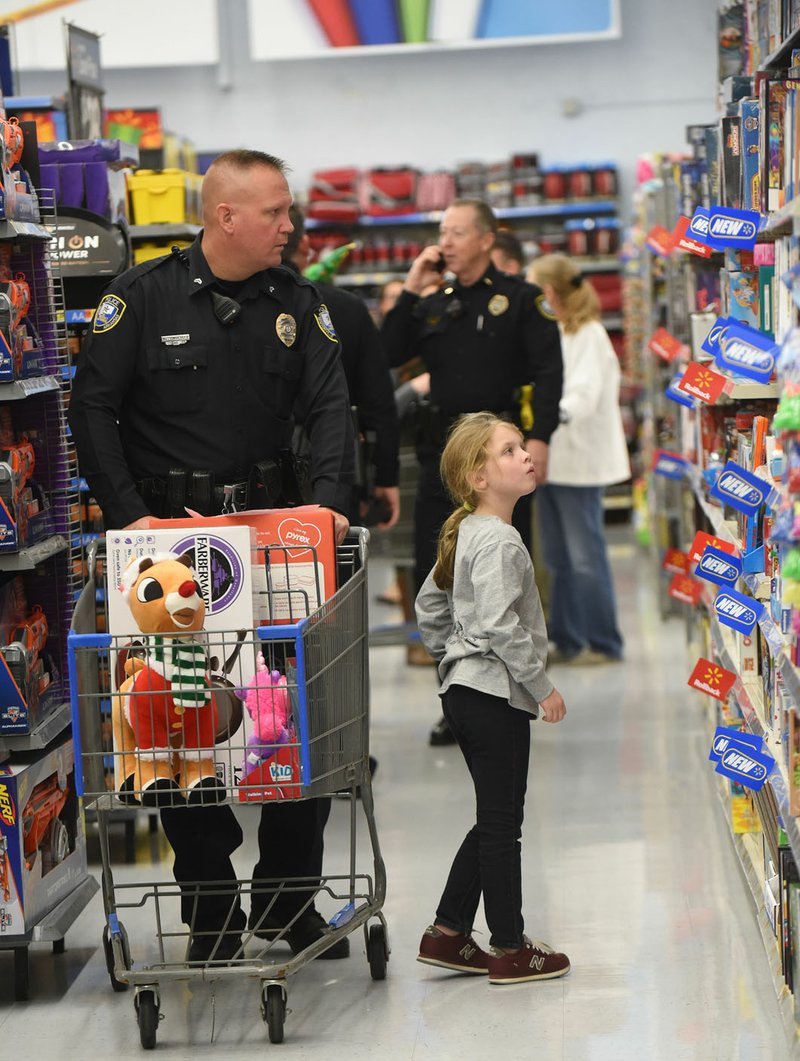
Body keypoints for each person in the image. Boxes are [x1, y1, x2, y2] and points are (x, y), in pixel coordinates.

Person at [68, 149, 356, 963]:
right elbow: (93, 410)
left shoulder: (298, 302)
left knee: (300, 717)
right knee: (174, 719)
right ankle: (210, 910)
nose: (290, 227)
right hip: (173, 553)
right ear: (225, 216)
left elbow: (332, 406)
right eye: (276, 213)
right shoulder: (140, 297)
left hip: (275, 543)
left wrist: (327, 508)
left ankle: (287, 901)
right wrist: (131, 520)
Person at [381, 198, 563, 744]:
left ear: (487, 239)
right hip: (442, 456)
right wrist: (412, 290)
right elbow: (388, 351)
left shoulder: (524, 300)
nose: (447, 241)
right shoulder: (434, 303)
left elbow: (548, 372)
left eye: (457, 232)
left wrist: (541, 439)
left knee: (502, 575)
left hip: (499, 459)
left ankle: (515, 688)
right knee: (438, 571)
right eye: (443, 232)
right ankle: (457, 696)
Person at [414, 412, 570, 984]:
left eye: (521, 446)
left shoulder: (466, 532)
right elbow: (504, 629)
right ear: (479, 478)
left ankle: (449, 931)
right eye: (508, 451)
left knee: (496, 815)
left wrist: (451, 654)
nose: (525, 454)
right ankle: (508, 946)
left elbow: (428, 607)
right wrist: (543, 688)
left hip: (464, 693)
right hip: (495, 693)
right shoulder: (501, 541)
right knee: (504, 824)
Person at [527, 253, 629, 664]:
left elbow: (582, 397)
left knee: (585, 556)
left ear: (549, 292)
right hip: (551, 461)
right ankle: (567, 640)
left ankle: (604, 642)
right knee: (556, 557)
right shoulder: (554, 332)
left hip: (581, 463)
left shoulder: (589, 334)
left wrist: (547, 416)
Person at [282, 205, 401, 530]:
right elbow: (378, 401)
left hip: (255, 482)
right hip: (333, 476)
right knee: (335, 572)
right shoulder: (345, 308)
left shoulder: (229, 305)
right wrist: (386, 477)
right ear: (305, 244)